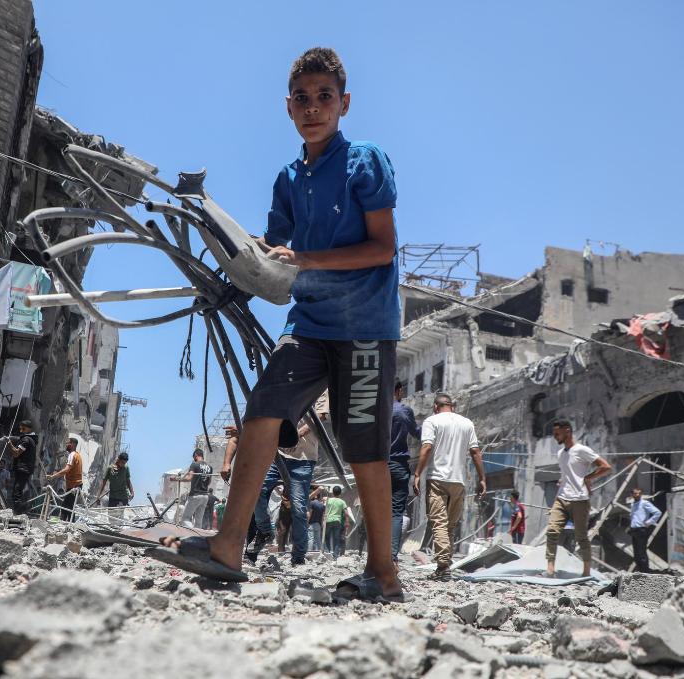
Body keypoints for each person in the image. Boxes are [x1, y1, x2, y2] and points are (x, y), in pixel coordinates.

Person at [158, 47, 404, 600]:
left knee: (364, 447)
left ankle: (384, 573)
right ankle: (227, 546)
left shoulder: (365, 161)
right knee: (262, 410)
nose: (312, 107)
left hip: (365, 323)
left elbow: (382, 248)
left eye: (324, 97)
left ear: (344, 103)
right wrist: (231, 258)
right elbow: (273, 250)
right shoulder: (289, 179)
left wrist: (307, 259)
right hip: (309, 321)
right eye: (302, 98)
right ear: (287, 107)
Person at [243, 393, 328, 565]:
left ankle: (298, 557)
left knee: (298, 508)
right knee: (256, 490)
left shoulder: (320, 388)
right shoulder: (288, 383)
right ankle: (265, 532)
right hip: (277, 453)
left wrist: (296, 435)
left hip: (303, 459)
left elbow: (321, 415)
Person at [412, 393, 487, 580]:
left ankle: (443, 566)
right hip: (459, 481)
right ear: (452, 406)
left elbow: (426, 447)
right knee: (450, 526)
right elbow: (475, 451)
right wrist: (482, 478)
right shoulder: (467, 423)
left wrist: (417, 474)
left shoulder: (432, 421)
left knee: (439, 523)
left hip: (437, 479)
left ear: (435, 407)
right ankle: (444, 563)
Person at [545, 419, 612, 577]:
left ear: (567, 431)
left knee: (581, 536)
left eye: (557, 433)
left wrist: (588, 478)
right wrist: (562, 482)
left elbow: (606, 467)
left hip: (580, 500)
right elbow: (567, 475)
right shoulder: (561, 453)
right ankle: (550, 569)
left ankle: (586, 571)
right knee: (552, 531)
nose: (555, 436)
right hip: (561, 498)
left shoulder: (582, 450)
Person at [389, 381, 419, 560]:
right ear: (399, 391)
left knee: (378, 510)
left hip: (377, 467)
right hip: (398, 464)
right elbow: (416, 432)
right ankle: (391, 555)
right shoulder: (404, 410)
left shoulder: (375, 411)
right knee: (396, 512)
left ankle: (376, 553)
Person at [4, 420, 38, 514]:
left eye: (23, 428)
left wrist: (9, 443)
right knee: (19, 491)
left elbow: (16, 453)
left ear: (29, 429)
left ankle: (17, 514)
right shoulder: (31, 440)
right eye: (20, 428)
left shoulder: (26, 440)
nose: (21, 430)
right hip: (25, 469)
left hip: (23, 469)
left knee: (17, 493)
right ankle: (19, 512)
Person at [47, 437, 83, 521]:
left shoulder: (72, 455)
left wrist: (53, 476)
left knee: (67, 508)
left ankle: (67, 524)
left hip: (74, 486)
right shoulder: (77, 455)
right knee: (67, 507)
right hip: (75, 486)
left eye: (68, 443)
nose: (66, 445)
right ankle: (66, 523)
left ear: (73, 444)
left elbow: (67, 469)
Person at [629, 487, 662, 573]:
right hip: (634, 530)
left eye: (639, 493)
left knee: (641, 551)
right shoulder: (633, 504)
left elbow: (657, 512)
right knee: (636, 552)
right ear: (632, 494)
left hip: (641, 530)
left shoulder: (644, 503)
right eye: (635, 493)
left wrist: (649, 522)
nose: (637, 495)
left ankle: (645, 571)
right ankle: (640, 570)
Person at [180, 450, 213, 528]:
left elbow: (189, 478)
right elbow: (209, 482)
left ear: (196, 455)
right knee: (198, 521)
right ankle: (197, 534)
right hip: (205, 496)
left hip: (195, 495)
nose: (193, 458)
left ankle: (191, 532)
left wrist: (177, 479)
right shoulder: (210, 467)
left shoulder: (194, 464)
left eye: (193, 457)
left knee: (185, 519)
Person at [323, 486, 349, 558]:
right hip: (337, 521)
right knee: (336, 539)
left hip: (328, 520)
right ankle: (335, 556)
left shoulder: (328, 500)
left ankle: (328, 553)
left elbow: (324, 510)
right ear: (340, 493)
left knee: (327, 537)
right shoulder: (342, 502)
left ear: (333, 492)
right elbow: (346, 513)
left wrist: (323, 521)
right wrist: (347, 522)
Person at [307, 487, 325, 552]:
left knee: (310, 538)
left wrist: (307, 522)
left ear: (315, 496)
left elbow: (310, 513)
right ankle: (320, 551)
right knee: (318, 539)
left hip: (312, 524)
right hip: (318, 524)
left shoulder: (312, 503)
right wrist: (321, 524)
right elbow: (322, 516)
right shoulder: (322, 505)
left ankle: (309, 551)